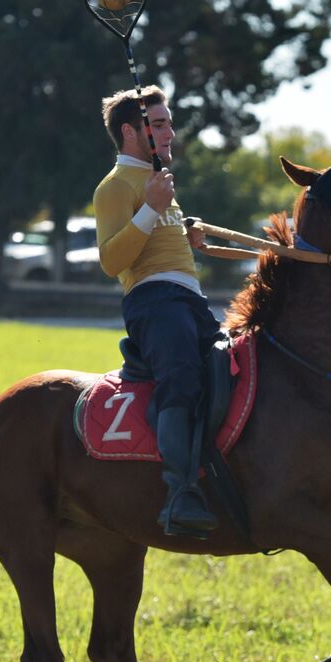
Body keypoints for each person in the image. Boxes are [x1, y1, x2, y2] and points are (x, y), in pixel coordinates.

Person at [94, 85, 223, 537]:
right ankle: (180, 493)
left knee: (234, 373)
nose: (170, 133)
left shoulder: (159, 183)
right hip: (153, 303)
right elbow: (112, 262)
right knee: (183, 375)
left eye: (169, 123)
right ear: (131, 132)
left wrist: (187, 235)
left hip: (190, 300)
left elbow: (157, 240)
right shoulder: (116, 187)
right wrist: (150, 208)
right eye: (161, 124)